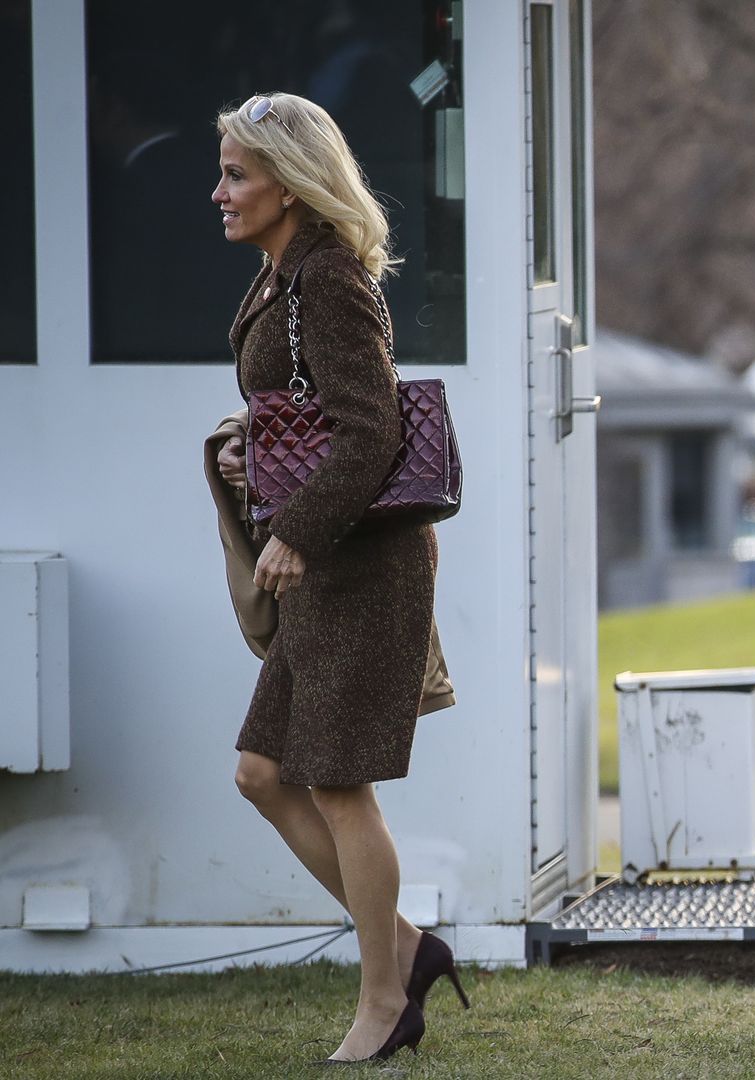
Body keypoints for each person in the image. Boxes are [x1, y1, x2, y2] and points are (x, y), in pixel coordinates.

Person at [212, 91, 463, 1065]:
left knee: (338, 785)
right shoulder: (285, 277)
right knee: (263, 773)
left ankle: (383, 997)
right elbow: (314, 416)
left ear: (290, 179)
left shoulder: (329, 280)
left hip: (360, 570)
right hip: (325, 568)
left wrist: (301, 534)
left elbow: (370, 431)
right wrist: (250, 448)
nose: (219, 192)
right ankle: (404, 947)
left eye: (237, 174)